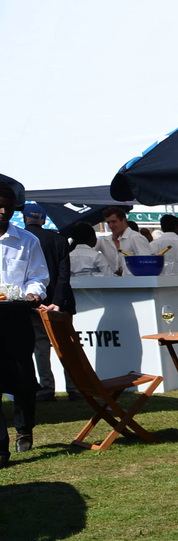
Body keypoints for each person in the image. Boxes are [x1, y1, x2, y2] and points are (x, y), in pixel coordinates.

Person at [0, 184, 49, 464]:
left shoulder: (26, 240)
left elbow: (38, 276)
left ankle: (24, 428)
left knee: (22, 378)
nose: (3, 211)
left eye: (7, 206)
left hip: (16, 316)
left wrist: (34, 291)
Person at [21, 203, 71, 402]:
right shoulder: (58, 239)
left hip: (32, 303)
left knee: (41, 346)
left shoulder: (22, 240)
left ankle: (46, 388)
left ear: (25, 219)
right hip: (59, 302)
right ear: (43, 219)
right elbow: (64, 275)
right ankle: (75, 388)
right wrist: (57, 302)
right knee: (67, 346)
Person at [95, 205, 152, 276]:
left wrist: (126, 272)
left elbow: (147, 263)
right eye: (108, 223)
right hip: (112, 284)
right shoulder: (103, 241)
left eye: (113, 222)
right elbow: (87, 255)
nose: (110, 226)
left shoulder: (136, 238)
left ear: (124, 220)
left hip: (135, 283)